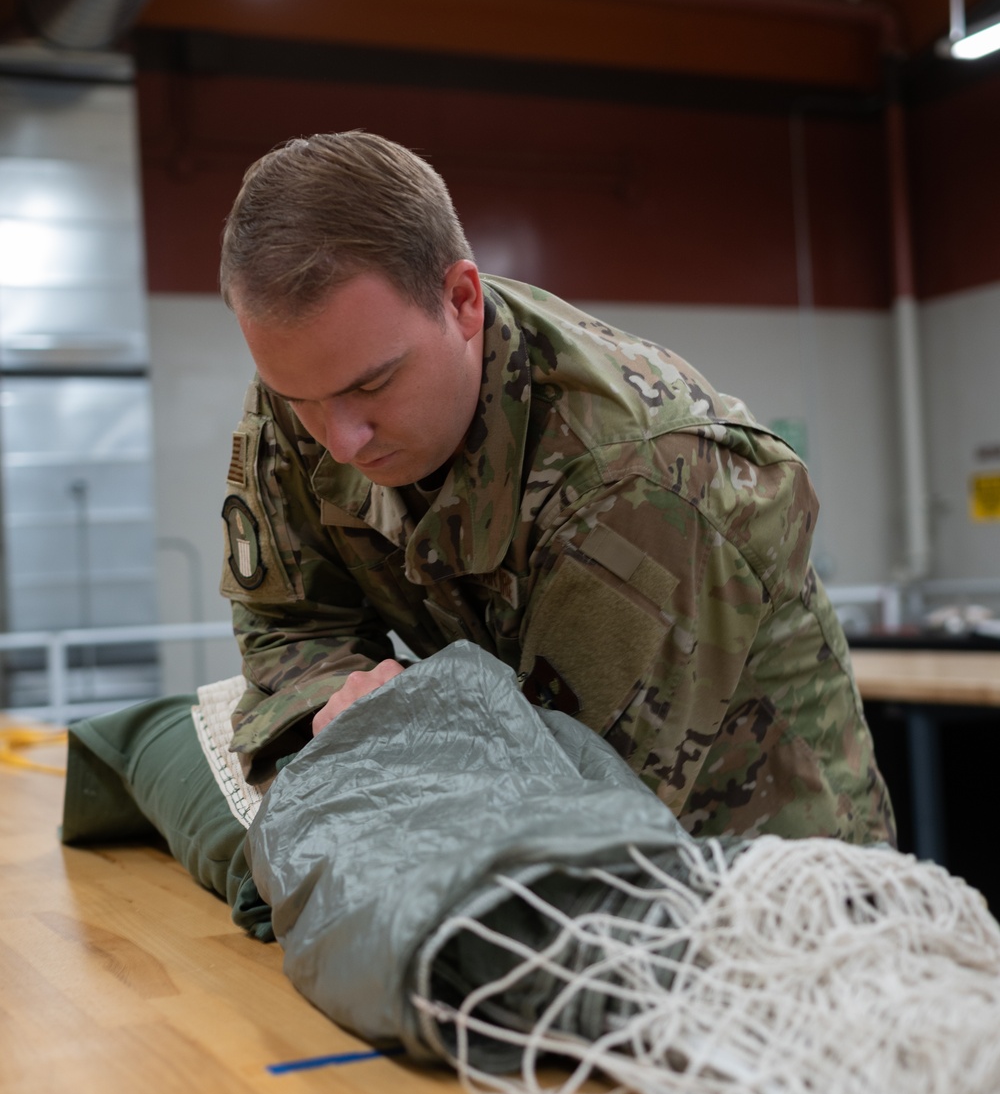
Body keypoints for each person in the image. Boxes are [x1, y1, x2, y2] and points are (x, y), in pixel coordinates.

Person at [218, 130, 893, 848]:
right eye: (299, 398)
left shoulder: (641, 475)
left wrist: (394, 733)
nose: (340, 439)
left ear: (461, 301)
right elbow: (289, 624)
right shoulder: (316, 383)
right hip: (544, 873)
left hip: (775, 884)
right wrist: (335, 703)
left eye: (373, 385)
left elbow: (574, 800)